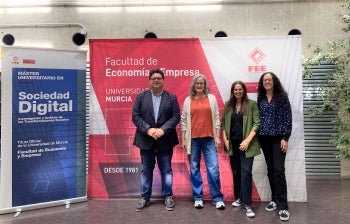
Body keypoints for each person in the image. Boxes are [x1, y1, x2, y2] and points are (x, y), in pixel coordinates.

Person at [132, 68, 180, 212]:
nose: (157, 80)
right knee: (146, 171)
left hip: (165, 140)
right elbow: (135, 116)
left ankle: (168, 197)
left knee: (166, 171)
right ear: (149, 81)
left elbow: (175, 117)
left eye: (159, 78)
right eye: (154, 78)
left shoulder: (171, 97)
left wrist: (162, 130)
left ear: (163, 80)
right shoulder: (141, 97)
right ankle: (145, 198)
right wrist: (148, 129)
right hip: (146, 140)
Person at [180, 74, 225, 210]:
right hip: (193, 140)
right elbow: (183, 121)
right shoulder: (188, 100)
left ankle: (217, 198)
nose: (199, 85)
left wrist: (217, 137)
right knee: (194, 168)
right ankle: (198, 198)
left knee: (213, 169)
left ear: (205, 85)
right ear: (193, 85)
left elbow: (217, 118)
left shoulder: (211, 98)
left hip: (209, 139)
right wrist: (183, 139)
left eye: (202, 83)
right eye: (197, 83)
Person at [221, 81, 260, 218]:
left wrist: (247, 140)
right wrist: (225, 139)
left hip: (247, 145)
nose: (238, 91)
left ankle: (247, 205)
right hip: (232, 145)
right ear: (233, 91)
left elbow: (257, 124)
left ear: (244, 90)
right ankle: (239, 197)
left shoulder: (252, 105)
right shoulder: (228, 105)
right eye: (235, 89)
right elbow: (223, 124)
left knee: (246, 173)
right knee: (236, 172)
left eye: (240, 89)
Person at [257, 72, 292, 221]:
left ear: (274, 81)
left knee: (279, 170)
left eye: (269, 79)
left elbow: (288, 118)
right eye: (265, 80)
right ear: (262, 83)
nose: (267, 82)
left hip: (278, 138)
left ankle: (283, 207)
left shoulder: (282, 97)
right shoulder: (261, 99)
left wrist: (285, 137)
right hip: (265, 139)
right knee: (271, 169)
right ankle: (274, 200)